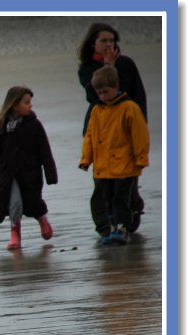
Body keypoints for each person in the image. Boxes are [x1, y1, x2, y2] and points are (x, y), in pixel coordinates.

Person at [77, 22, 147, 235]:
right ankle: (108, 224)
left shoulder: (126, 64)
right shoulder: (87, 67)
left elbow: (138, 95)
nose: (108, 44)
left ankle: (128, 218)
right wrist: (107, 67)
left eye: (111, 40)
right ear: (93, 44)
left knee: (126, 184)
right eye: (103, 41)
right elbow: (92, 96)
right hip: (99, 129)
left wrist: (141, 127)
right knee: (103, 185)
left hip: (125, 129)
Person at [0, 86, 58, 250]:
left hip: (30, 173)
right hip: (6, 175)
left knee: (32, 200)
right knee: (14, 202)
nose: (30, 106)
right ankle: (15, 233)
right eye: (27, 103)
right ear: (14, 105)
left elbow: (45, 152)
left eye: (30, 102)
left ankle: (42, 219)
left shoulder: (34, 125)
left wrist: (51, 175)